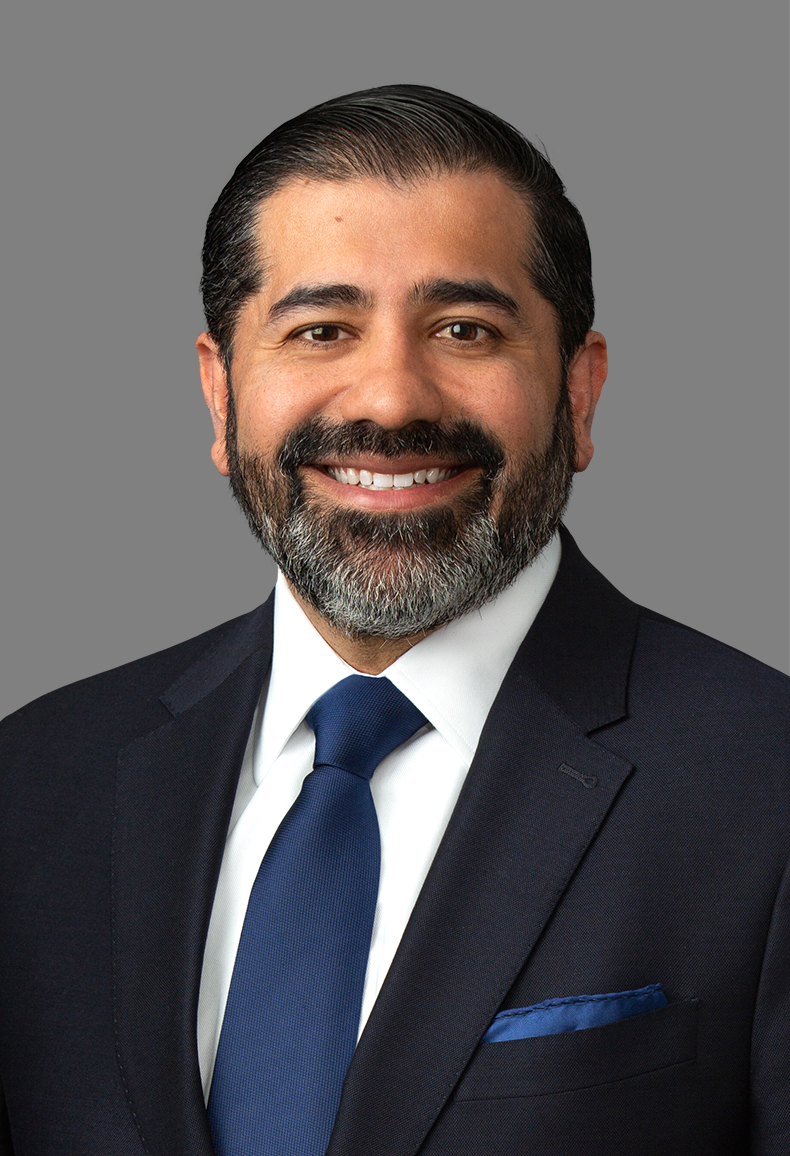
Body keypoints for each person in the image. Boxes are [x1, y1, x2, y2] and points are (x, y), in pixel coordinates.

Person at [0, 85, 787, 1156]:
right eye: (320, 329)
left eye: (465, 329)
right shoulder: (37, 782)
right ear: (220, 396)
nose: (389, 399)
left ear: (578, 391)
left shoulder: (766, 785)